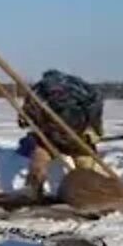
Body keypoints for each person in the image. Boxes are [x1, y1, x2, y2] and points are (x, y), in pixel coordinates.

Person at [19, 69, 104, 198]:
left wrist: (94, 130)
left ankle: (85, 194)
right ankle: (33, 191)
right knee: (40, 161)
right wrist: (25, 118)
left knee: (83, 166)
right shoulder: (38, 94)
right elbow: (26, 116)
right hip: (59, 137)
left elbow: (96, 105)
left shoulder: (78, 91)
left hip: (72, 137)